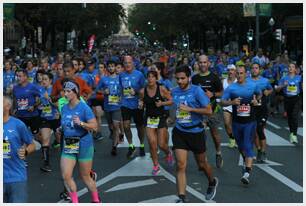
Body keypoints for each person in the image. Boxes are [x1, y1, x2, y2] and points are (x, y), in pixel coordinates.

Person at [172, 65, 218, 202]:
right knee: (180, 165)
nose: (179, 81)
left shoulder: (197, 91)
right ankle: (181, 198)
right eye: (177, 79)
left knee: (202, 165)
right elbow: (175, 107)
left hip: (196, 132)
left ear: (189, 78)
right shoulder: (174, 91)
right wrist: (171, 117)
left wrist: (190, 109)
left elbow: (209, 110)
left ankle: (212, 181)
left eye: (182, 78)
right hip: (180, 131)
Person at [60, 80, 101, 203]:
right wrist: (60, 128)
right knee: (66, 176)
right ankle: (75, 202)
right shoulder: (64, 108)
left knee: (85, 176)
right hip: (69, 143)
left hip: (84, 142)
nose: (65, 94)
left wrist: (82, 123)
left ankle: (96, 200)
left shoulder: (84, 108)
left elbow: (95, 127)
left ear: (75, 92)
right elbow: (65, 124)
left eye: (68, 91)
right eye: (64, 91)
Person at [221, 65, 261, 185]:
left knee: (248, 145)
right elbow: (222, 102)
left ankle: (247, 173)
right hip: (237, 122)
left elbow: (259, 94)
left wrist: (256, 101)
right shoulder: (231, 88)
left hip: (250, 121)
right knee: (241, 146)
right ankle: (246, 161)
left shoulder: (253, 85)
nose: (239, 75)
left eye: (241, 73)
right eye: (237, 73)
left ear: (246, 74)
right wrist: (231, 102)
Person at [139, 70, 174, 175]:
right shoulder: (142, 91)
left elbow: (172, 100)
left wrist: (162, 103)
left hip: (160, 118)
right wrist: (141, 104)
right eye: (148, 77)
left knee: (162, 144)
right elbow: (141, 100)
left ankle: (168, 152)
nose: (150, 79)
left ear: (156, 78)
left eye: (152, 77)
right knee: (152, 144)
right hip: (149, 119)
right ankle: (156, 165)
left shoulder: (161, 88)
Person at [191, 55, 224, 168]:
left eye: (205, 62)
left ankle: (218, 152)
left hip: (212, 110)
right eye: (201, 62)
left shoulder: (214, 77)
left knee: (214, 134)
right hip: (200, 112)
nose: (203, 64)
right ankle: (203, 159)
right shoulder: (195, 78)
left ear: (208, 63)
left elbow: (221, 92)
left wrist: (213, 94)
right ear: (198, 64)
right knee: (201, 135)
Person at [4, 95, 36, 203]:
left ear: (7, 106)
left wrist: (26, 151)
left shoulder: (18, 125)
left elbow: (32, 144)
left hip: (16, 177)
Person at [119, 55, 146, 158]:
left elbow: (144, 89)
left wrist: (137, 94)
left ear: (133, 63)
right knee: (126, 125)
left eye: (129, 62)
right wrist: (120, 98)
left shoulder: (139, 75)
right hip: (125, 103)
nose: (127, 65)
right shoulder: (121, 75)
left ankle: (142, 145)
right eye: (125, 63)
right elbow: (121, 88)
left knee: (140, 127)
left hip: (137, 104)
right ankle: (131, 145)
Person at [247, 63, 273, 162]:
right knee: (253, 132)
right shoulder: (247, 81)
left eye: (256, 68)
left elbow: (271, 89)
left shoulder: (265, 81)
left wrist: (268, 92)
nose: (254, 70)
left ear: (260, 70)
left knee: (260, 129)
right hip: (252, 109)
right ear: (250, 70)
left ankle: (263, 151)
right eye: (253, 68)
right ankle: (258, 149)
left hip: (262, 110)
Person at [97, 60, 123, 155]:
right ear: (107, 68)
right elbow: (97, 90)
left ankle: (114, 146)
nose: (111, 68)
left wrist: (121, 96)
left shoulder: (120, 78)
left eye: (113, 66)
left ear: (116, 67)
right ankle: (113, 133)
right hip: (107, 107)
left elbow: (125, 90)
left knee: (116, 126)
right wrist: (104, 92)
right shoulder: (104, 79)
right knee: (111, 127)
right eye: (109, 66)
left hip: (117, 106)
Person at [39, 72, 61, 172]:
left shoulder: (55, 90)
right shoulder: (40, 90)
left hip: (56, 118)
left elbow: (58, 105)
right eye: (42, 79)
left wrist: (49, 99)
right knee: (45, 139)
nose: (43, 81)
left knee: (61, 140)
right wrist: (35, 105)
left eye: (45, 79)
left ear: (50, 80)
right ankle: (46, 163)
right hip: (45, 118)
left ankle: (71, 158)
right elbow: (40, 102)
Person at [276, 63, 302, 143]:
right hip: (287, 99)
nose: (290, 68)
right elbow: (277, 89)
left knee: (294, 116)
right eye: (289, 67)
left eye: (292, 67)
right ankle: (291, 133)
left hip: (296, 98)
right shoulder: (284, 78)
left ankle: (294, 134)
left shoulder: (299, 77)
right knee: (290, 117)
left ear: (295, 69)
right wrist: (284, 85)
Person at [222, 64, 237, 148]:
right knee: (227, 123)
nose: (230, 72)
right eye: (229, 70)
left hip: (236, 105)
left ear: (235, 71)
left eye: (232, 70)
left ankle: (239, 138)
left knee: (237, 124)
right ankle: (232, 138)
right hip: (227, 105)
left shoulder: (238, 81)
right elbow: (220, 93)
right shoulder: (223, 81)